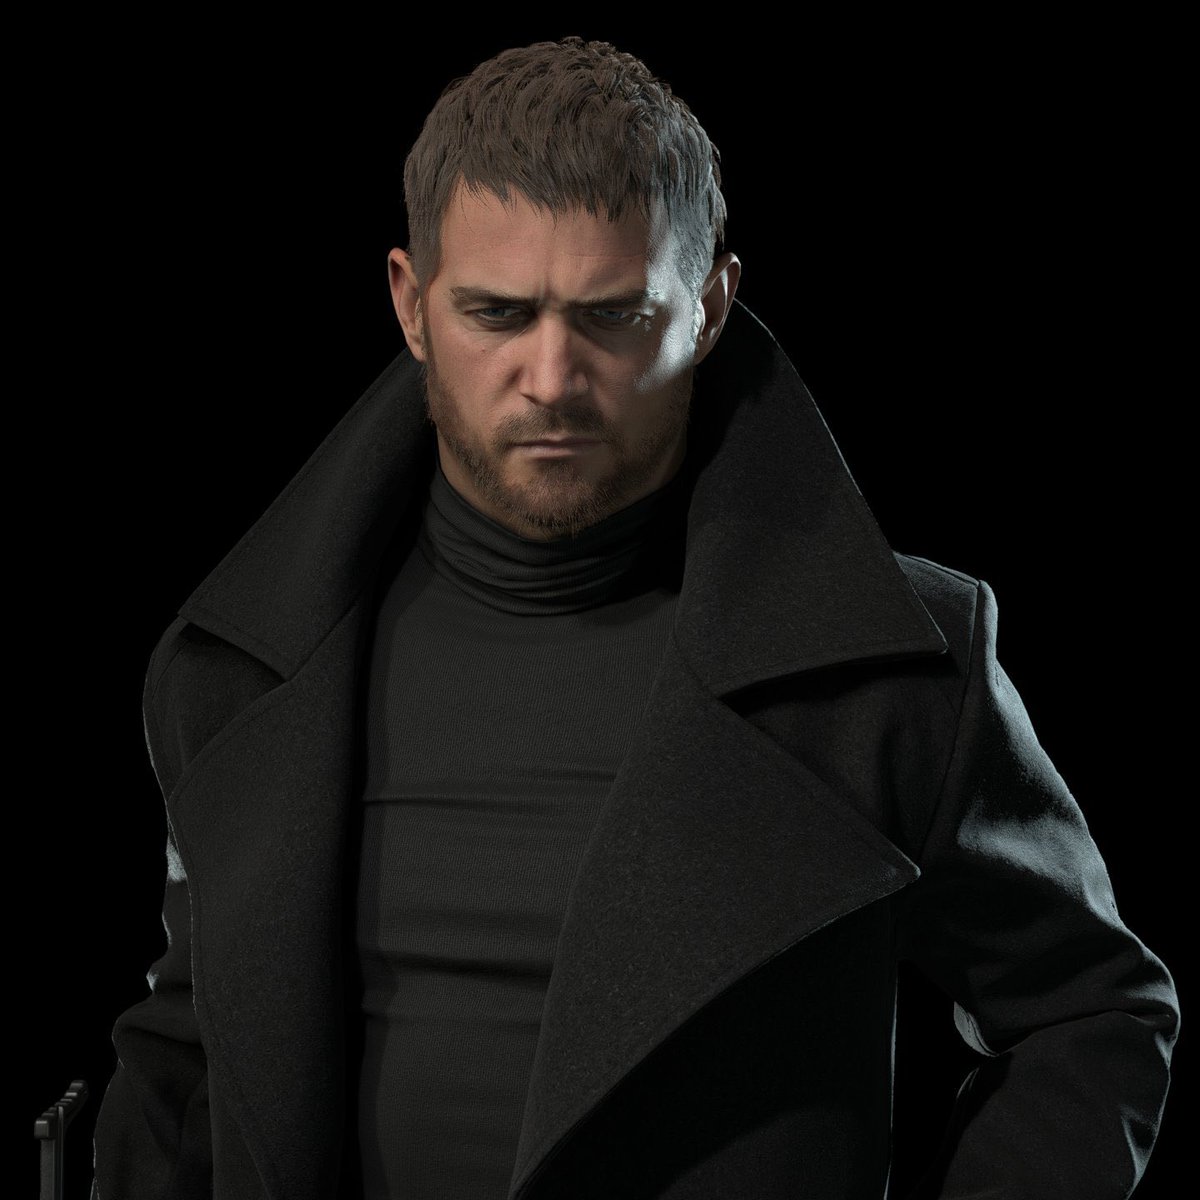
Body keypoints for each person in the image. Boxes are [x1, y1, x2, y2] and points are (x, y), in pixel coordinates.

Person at [91, 35, 1179, 1200]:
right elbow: (192, 1052)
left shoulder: (897, 671)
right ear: (410, 304)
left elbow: (1090, 1011)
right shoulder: (234, 673)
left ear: (709, 308)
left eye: (612, 317)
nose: (552, 377)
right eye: (498, 314)